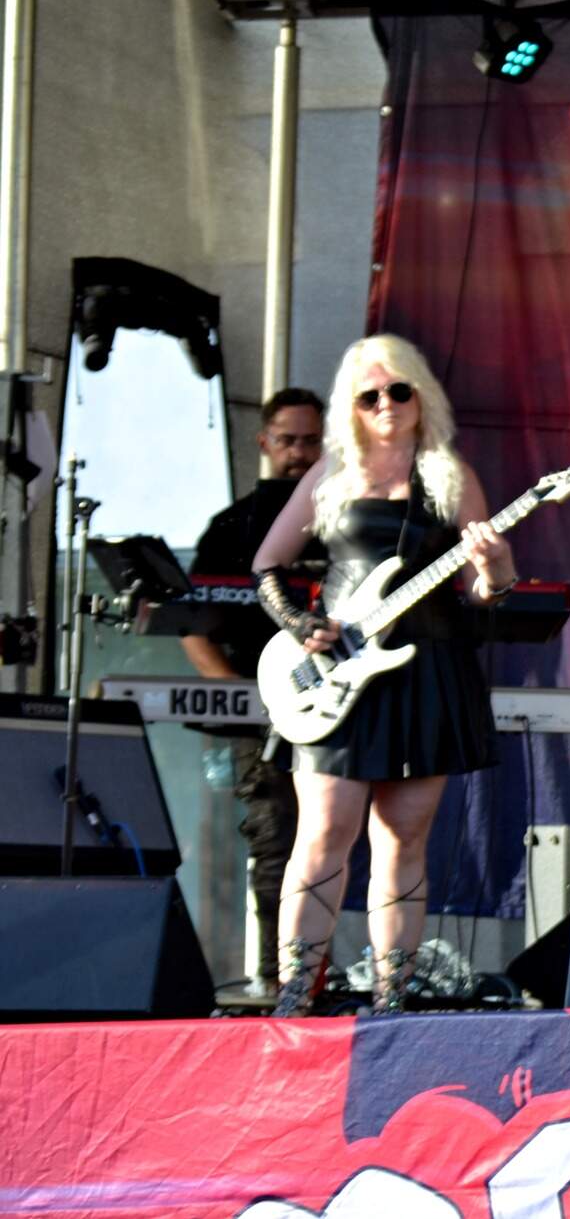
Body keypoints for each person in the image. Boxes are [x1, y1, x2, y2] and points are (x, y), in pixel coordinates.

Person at [252, 335, 514, 1014]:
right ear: (351, 404)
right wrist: (301, 624)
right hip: (338, 665)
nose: (386, 404)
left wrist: (496, 569)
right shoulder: (331, 472)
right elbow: (268, 564)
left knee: (402, 839)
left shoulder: (450, 477)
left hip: (425, 666)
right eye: (369, 396)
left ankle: (392, 996)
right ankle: (294, 991)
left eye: (399, 390)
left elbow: (483, 592)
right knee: (323, 832)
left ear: (421, 394)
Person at [181, 387, 326, 994]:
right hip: (264, 711)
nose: (299, 453)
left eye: (311, 441)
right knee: (275, 837)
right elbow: (190, 625)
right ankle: (277, 982)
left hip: (346, 702)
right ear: (264, 442)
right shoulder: (231, 526)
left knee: (351, 840)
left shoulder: (348, 518)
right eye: (288, 440)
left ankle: (348, 980)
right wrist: (239, 692)